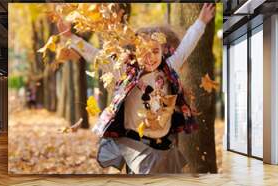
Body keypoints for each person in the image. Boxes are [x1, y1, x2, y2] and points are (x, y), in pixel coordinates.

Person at [57, 3, 215, 174]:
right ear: (135, 52)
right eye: (144, 52)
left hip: (163, 144)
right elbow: (95, 55)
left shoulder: (168, 68)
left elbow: (186, 46)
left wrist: (201, 22)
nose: (151, 57)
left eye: (155, 51)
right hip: (136, 144)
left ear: (162, 51)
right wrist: (70, 38)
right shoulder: (125, 71)